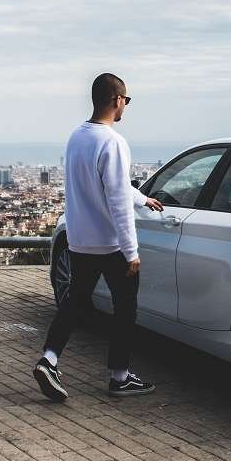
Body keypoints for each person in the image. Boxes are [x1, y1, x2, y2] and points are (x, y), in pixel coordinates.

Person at [33, 73, 164, 401]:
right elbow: (116, 198)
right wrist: (131, 251)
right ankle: (120, 377)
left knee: (75, 302)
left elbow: (110, 185)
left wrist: (142, 198)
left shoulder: (77, 137)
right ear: (117, 100)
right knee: (125, 308)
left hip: (81, 239)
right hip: (110, 243)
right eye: (126, 100)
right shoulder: (113, 142)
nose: (125, 106)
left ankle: (49, 359)